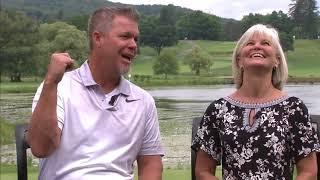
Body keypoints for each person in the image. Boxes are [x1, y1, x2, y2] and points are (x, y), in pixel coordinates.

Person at [27, 6, 164, 180]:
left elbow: (151, 163)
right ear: (98, 38)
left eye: (136, 39)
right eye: (125, 36)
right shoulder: (59, 88)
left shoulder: (143, 101)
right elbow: (40, 148)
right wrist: (50, 83)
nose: (133, 45)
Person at [191, 24, 319, 180]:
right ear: (239, 60)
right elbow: (203, 171)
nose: (257, 46)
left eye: (265, 43)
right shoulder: (218, 109)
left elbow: (309, 171)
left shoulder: (294, 108)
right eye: (250, 43)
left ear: (277, 60)